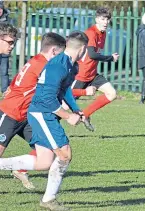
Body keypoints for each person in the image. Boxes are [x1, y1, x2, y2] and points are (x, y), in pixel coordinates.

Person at [0, 31, 88, 210]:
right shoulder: (51, 65)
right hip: (17, 112)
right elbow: (47, 98)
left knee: (45, 161)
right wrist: (68, 115)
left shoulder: (68, 65)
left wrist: (76, 110)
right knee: (64, 153)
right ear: (83, 48)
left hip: (27, 115)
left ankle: (44, 196)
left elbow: (63, 90)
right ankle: (49, 200)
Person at [0, 32, 66, 190]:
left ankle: (19, 168)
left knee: (47, 150)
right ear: (54, 51)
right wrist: (83, 92)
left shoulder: (37, 60)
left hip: (27, 116)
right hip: (11, 113)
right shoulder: (42, 66)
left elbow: (20, 79)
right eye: (61, 54)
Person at [72, 7, 119, 131]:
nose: (105, 22)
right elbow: (92, 54)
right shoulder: (91, 33)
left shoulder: (102, 33)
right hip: (81, 75)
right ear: (96, 19)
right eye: (103, 19)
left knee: (112, 93)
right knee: (64, 107)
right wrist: (110, 58)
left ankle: (85, 114)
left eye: (107, 19)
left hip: (92, 74)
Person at [0, 2, 11, 93]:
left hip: (3, 52)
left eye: (1, 9)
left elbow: (12, 34)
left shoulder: (7, 20)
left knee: (4, 72)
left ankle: (4, 91)